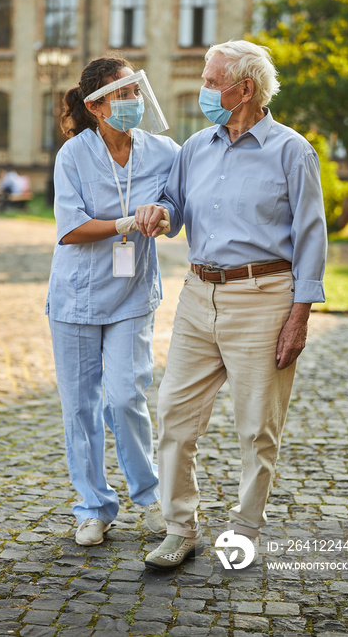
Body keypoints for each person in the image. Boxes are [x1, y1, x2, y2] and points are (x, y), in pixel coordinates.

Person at [135, 39, 328, 570]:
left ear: (244, 88)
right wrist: (158, 210)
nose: (202, 87)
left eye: (210, 78)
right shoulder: (197, 145)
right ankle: (180, 527)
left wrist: (300, 315)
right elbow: (172, 203)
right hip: (199, 294)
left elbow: (312, 236)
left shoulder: (293, 150)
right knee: (175, 413)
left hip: (264, 298)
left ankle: (244, 528)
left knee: (256, 426)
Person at [46, 56, 179, 546]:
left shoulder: (164, 151)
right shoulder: (73, 156)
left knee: (126, 396)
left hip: (132, 294)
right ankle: (92, 507)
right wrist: (125, 224)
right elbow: (71, 230)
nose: (133, 102)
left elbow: (178, 206)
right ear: (98, 107)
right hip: (76, 299)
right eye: (122, 94)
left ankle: (147, 499)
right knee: (80, 407)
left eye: (135, 91)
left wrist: (162, 213)